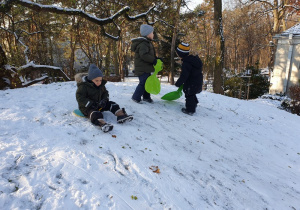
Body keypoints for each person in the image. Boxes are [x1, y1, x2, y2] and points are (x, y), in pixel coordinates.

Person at [75, 64, 133, 132]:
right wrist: (91, 104)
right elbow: (80, 97)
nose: (99, 82)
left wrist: (104, 100)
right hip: (87, 107)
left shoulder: (101, 85)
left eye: (100, 80)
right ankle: (102, 124)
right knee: (95, 113)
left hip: (99, 104)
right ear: (91, 79)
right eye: (97, 80)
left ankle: (121, 115)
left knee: (112, 104)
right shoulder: (83, 86)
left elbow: (105, 93)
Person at [131, 24, 159, 103]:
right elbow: (143, 55)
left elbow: (149, 55)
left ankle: (146, 97)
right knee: (143, 83)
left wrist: (156, 59)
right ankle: (136, 97)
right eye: (152, 33)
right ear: (148, 34)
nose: (153, 34)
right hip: (142, 68)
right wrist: (153, 60)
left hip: (146, 68)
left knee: (147, 83)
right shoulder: (143, 44)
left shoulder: (147, 43)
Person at [175, 42, 203, 115]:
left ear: (181, 54)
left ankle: (190, 110)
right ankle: (194, 103)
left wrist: (178, 83)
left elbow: (184, 75)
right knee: (191, 93)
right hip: (197, 81)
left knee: (189, 94)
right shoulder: (192, 60)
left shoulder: (186, 63)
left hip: (191, 82)